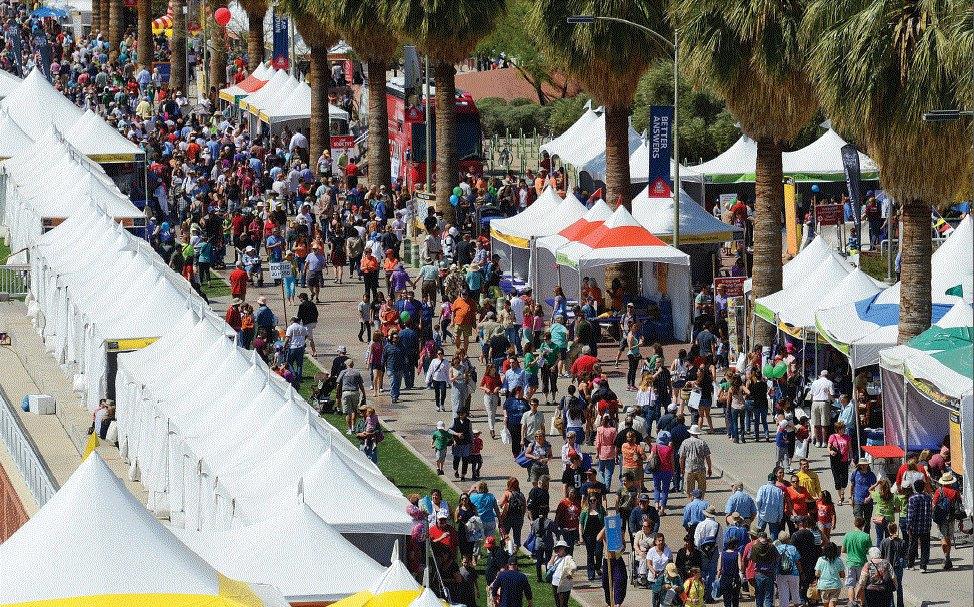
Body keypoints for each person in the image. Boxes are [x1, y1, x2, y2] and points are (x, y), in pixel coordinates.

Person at [931, 471, 960, 570]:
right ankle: (948, 556)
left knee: (943, 538)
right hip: (951, 518)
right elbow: (958, 506)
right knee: (949, 539)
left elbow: (934, 504)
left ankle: (946, 557)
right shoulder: (955, 492)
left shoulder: (939, 491)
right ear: (951, 482)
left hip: (941, 518)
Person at [842, 516, 873, 603]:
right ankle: (862, 603)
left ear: (854, 524)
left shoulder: (847, 535)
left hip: (850, 563)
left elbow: (843, 550)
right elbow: (870, 551)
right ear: (863, 525)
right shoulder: (866, 536)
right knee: (862, 584)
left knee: (850, 585)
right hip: (862, 563)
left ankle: (851, 602)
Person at [694, 506, 722, 601]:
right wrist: (720, 553)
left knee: (702, 572)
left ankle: (702, 594)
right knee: (712, 573)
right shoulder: (718, 525)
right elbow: (720, 542)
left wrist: (699, 548)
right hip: (714, 550)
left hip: (702, 551)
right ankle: (709, 595)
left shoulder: (700, 525)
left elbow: (697, 541)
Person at [904, 478, 932, 571]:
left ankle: (910, 564)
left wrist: (908, 526)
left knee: (913, 544)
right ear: (923, 487)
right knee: (925, 546)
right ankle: (923, 566)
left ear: (915, 488)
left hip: (915, 526)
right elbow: (930, 512)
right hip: (925, 525)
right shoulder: (928, 497)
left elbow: (910, 514)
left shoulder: (912, 498)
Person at [745, 532, 778, 607]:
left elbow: (749, 557)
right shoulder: (772, 546)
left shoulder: (755, 547)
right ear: (766, 538)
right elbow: (778, 557)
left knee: (759, 595)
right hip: (769, 573)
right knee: (769, 596)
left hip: (759, 573)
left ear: (759, 538)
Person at [679, 425, 712, 498]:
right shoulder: (702, 443)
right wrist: (709, 468)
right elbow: (707, 457)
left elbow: (682, 457)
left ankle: (691, 501)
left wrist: (682, 468)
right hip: (701, 469)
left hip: (689, 469)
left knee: (689, 490)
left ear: (690, 433)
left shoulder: (685, 442)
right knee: (702, 489)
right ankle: (700, 501)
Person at [880, 522, 908, 607]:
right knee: (898, 585)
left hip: (887, 567)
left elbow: (881, 555)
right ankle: (900, 604)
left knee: (889, 587)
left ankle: (891, 604)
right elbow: (905, 554)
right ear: (896, 530)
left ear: (888, 530)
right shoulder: (902, 542)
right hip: (898, 566)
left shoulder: (884, 541)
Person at [336, 359, 366, 435]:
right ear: (353, 365)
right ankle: (353, 427)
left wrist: (338, 392)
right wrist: (364, 393)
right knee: (354, 410)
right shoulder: (357, 373)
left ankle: (349, 429)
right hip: (355, 392)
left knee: (347, 412)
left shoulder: (343, 372)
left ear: (346, 365)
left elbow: (338, 384)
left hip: (346, 393)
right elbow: (361, 385)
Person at [579, 494, 606, 580]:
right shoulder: (585, 510)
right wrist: (581, 536)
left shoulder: (601, 509)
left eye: (594, 500)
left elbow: (605, 521)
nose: (592, 502)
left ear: (597, 500)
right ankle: (591, 574)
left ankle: (597, 567)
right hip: (588, 535)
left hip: (599, 535)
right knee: (590, 554)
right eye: (591, 500)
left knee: (599, 552)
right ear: (588, 501)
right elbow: (581, 524)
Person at [826, 421, 852, 504]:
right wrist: (830, 452)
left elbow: (850, 449)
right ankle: (840, 498)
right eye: (841, 429)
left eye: (844, 428)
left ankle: (842, 492)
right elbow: (828, 447)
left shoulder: (847, 437)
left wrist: (851, 459)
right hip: (835, 461)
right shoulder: (832, 437)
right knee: (837, 480)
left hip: (844, 461)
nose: (843, 430)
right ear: (837, 429)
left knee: (845, 480)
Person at [814, 542, 845, 607]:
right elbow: (842, 575)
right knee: (832, 602)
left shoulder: (820, 560)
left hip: (823, 585)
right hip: (835, 585)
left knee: (825, 603)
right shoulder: (838, 560)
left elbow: (817, 574)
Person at [547, 539, 577, 607]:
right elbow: (549, 567)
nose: (557, 550)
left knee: (563, 604)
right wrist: (553, 557)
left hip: (563, 584)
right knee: (557, 603)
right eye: (557, 549)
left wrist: (570, 574)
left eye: (560, 549)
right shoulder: (556, 558)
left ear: (564, 549)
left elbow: (574, 567)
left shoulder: (568, 558)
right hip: (554, 583)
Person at [809, 370, 835, 446]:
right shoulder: (829, 383)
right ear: (827, 375)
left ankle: (817, 442)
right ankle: (824, 442)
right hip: (824, 403)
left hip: (815, 402)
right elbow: (831, 394)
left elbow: (811, 395)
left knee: (816, 423)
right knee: (824, 424)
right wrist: (832, 401)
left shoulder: (814, 382)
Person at [775, 531, 801, 607]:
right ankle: (797, 604)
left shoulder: (777, 548)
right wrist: (801, 572)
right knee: (795, 592)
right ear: (788, 539)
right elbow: (797, 561)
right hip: (794, 573)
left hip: (780, 573)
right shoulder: (793, 548)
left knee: (783, 594)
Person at [651, 432, 676, 512]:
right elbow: (672, 461)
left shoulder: (655, 447)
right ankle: (662, 509)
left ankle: (656, 506)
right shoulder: (669, 449)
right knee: (665, 490)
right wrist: (673, 471)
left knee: (657, 488)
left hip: (656, 470)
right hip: (667, 471)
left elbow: (650, 458)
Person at [716, 538, 742, 607]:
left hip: (725, 578)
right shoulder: (737, 554)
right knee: (735, 599)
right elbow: (740, 567)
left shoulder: (722, 554)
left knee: (726, 599)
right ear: (735, 545)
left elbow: (719, 568)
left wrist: (718, 578)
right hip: (735, 578)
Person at [595, 415, 619, 490]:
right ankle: (607, 487)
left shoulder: (599, 430)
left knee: (600, 471)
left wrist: (597, 453)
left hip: (602, 452)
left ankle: (603, 484)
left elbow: (598, 443)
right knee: (609, 471)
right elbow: (615, 443)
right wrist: (616, 455)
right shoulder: (613, 430)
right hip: (611, 451)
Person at [426, 348, 450, 412]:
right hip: (435, 379)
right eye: (439, 354)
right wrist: (427, 379)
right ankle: (437, 405)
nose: (440, 355)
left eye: (441, 354)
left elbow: (447, 372)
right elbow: (430, 370)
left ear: (443, 354)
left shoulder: (446, 362)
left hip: (443, 380)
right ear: (437, 354)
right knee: (437, 393)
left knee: (443, 393)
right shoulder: (434, 361)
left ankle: (442, 404)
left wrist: (449, 382)